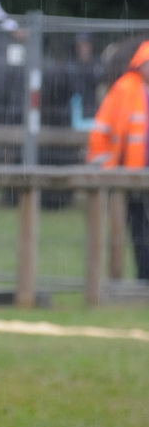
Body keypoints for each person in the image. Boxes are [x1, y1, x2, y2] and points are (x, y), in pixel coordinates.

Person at [87, 39, 149, 279]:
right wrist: (104, 164)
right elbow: (103, 129)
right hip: (129, 174)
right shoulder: (124, 89)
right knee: (135, 228)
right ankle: (138, 278)